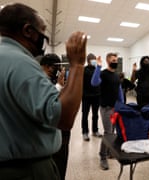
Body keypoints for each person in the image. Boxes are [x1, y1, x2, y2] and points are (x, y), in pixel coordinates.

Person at [0, 3, 87, 180]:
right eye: (43, 30)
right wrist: (77, 65)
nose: (45, 37)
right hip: (26, 170)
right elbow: (63, 118)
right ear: (28, 31)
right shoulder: (21, 62)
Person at [40, 53, 71, 180]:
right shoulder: (41, 81)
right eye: (57, 69)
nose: (59, 72)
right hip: (52, 132)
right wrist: (59, 86)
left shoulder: (49, 81)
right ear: (49, 67)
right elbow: (50, 103)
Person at [91, 53, 123, 170]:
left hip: (115, 108)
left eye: (116, 60)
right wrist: (98, 67)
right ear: (108, 61)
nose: (116, 61)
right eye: (113, 60)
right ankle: (103, 157)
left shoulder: (116, 75)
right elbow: (94, 83)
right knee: (108, 133)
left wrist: (122, 106)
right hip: (106, 108)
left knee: (112, 132)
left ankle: (109, 152)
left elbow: (119, 91)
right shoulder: (103, 73)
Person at [82, 53, 102, 141]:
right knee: (85, 115)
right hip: (86, 96)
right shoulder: (83, 70)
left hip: (96, 96)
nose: (95, 61)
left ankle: (95, 131)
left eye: (95, 59)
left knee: (95, 115)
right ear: (88, 60)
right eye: (93, 59)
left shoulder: (97, 70)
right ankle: (85, 133)